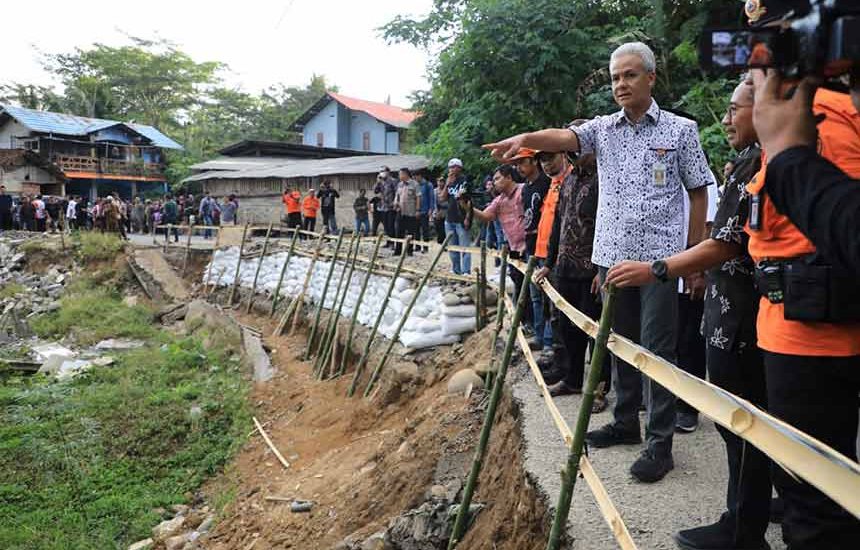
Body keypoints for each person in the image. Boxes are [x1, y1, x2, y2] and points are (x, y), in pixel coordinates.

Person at [485, 41, 714, 483]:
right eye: (614, 78)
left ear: (650, 78)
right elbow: (565, 138)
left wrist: (690, 261)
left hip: (659, 262)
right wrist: (528, 139)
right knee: (618, 343)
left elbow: (699, 191)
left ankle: (660, 444)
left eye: (629, 75)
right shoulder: (603, 129)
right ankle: (626, 423)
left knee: (657, 351)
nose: (621, 85)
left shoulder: (681, 131)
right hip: (611, 260)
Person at [607, 78, 771, 550]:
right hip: (729, 314)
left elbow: (723, 242)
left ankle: (744, 527)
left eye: (734, 109)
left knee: (744, 421)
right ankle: (747, 513)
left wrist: (659, 268)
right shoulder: (748, 161)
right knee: (737, 423)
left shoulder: (762, 163)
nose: (726, 119)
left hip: (745, 319)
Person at [737, 67, 860, 547]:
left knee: (814, 507)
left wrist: (790, 155)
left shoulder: (823, 115)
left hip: (816, 338)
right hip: (787, 326)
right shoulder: (789, 122)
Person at [751, 69, 860, 275]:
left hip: (821, 298)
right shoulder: (784, 127)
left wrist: (788, 158)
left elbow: (850, 225)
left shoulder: (825, 111)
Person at [440, 158, 472, 275]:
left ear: (460, 168)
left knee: (465, 246)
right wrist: (447, 184)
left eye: (455, 167)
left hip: (462, 217)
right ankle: (455, 269)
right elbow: (442, 198)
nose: (452, 169)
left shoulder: (465, 181)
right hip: (450, 218)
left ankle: (466, 271)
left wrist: (468, 217)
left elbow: (469, 201)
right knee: (452, 246)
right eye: (450, 167)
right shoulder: (449, 182)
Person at [395, 168, 421, 256]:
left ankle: (409, 251)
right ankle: (397, 251)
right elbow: (397, 196)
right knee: (399, 232)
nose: (399, 176)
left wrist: (417, 210)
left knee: (410, 232)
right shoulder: (399, 185)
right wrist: (396, 203)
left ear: (405, 174)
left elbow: (418, 198)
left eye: (400, 174)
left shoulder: (414, 184)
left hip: (411, 212)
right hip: (400, 211)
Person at [375, 168, 398, 244]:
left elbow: (397, 192)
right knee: (386, 226)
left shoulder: (393, 181)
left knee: (391, 225)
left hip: (391, 206)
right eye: (381, 171)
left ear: (388, 172)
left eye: (383, 171)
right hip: (383, 207)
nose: (382, 173)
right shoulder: (381, 182)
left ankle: (393, 242)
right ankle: (388, 242)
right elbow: (375, 191)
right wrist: (378, 182)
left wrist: (395, 202)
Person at [416, 172, 435, 251]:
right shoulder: (416, 185)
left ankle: (425, 247)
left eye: (416, 177)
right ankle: (417, 246)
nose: (415, 179)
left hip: (425, 210)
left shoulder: (428, 185)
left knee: (425, 230)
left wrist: (431, 209)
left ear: (420, 176)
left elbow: (431, 198)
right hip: (416, 211)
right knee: (416, 229)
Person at [433, 177, 448, 244]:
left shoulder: (447, 190)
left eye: (442, 181)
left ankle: (445, 243)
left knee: (445, 229)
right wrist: (437, 212)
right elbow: (434, 202)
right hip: (437, 211)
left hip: (446, 211)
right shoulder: (435, 191)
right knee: (438, 229)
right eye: (439, 181)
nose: (440, 183)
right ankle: (440, 243)